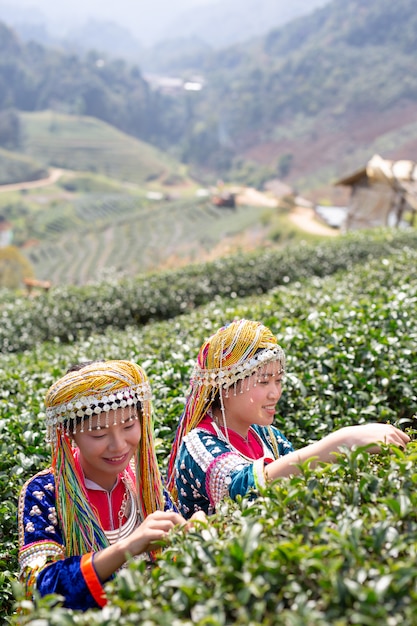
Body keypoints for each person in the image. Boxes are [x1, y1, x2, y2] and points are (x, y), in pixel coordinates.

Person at [166, 319, 410, 519]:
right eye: (263, 382)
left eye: (278, 381)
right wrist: (341, 441)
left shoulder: (266, 435)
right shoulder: (197, 445)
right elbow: (242, 490)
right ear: (226, 387)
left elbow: (300, 480)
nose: (275, 393)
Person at [17, 359, 202, 611]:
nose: (118, 445)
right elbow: (37, 589)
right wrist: (125, 548)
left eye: (128, 426)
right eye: (98, 434)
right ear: (69, 433)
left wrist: (193, 536)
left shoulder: (144, 480)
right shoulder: (45, 492)